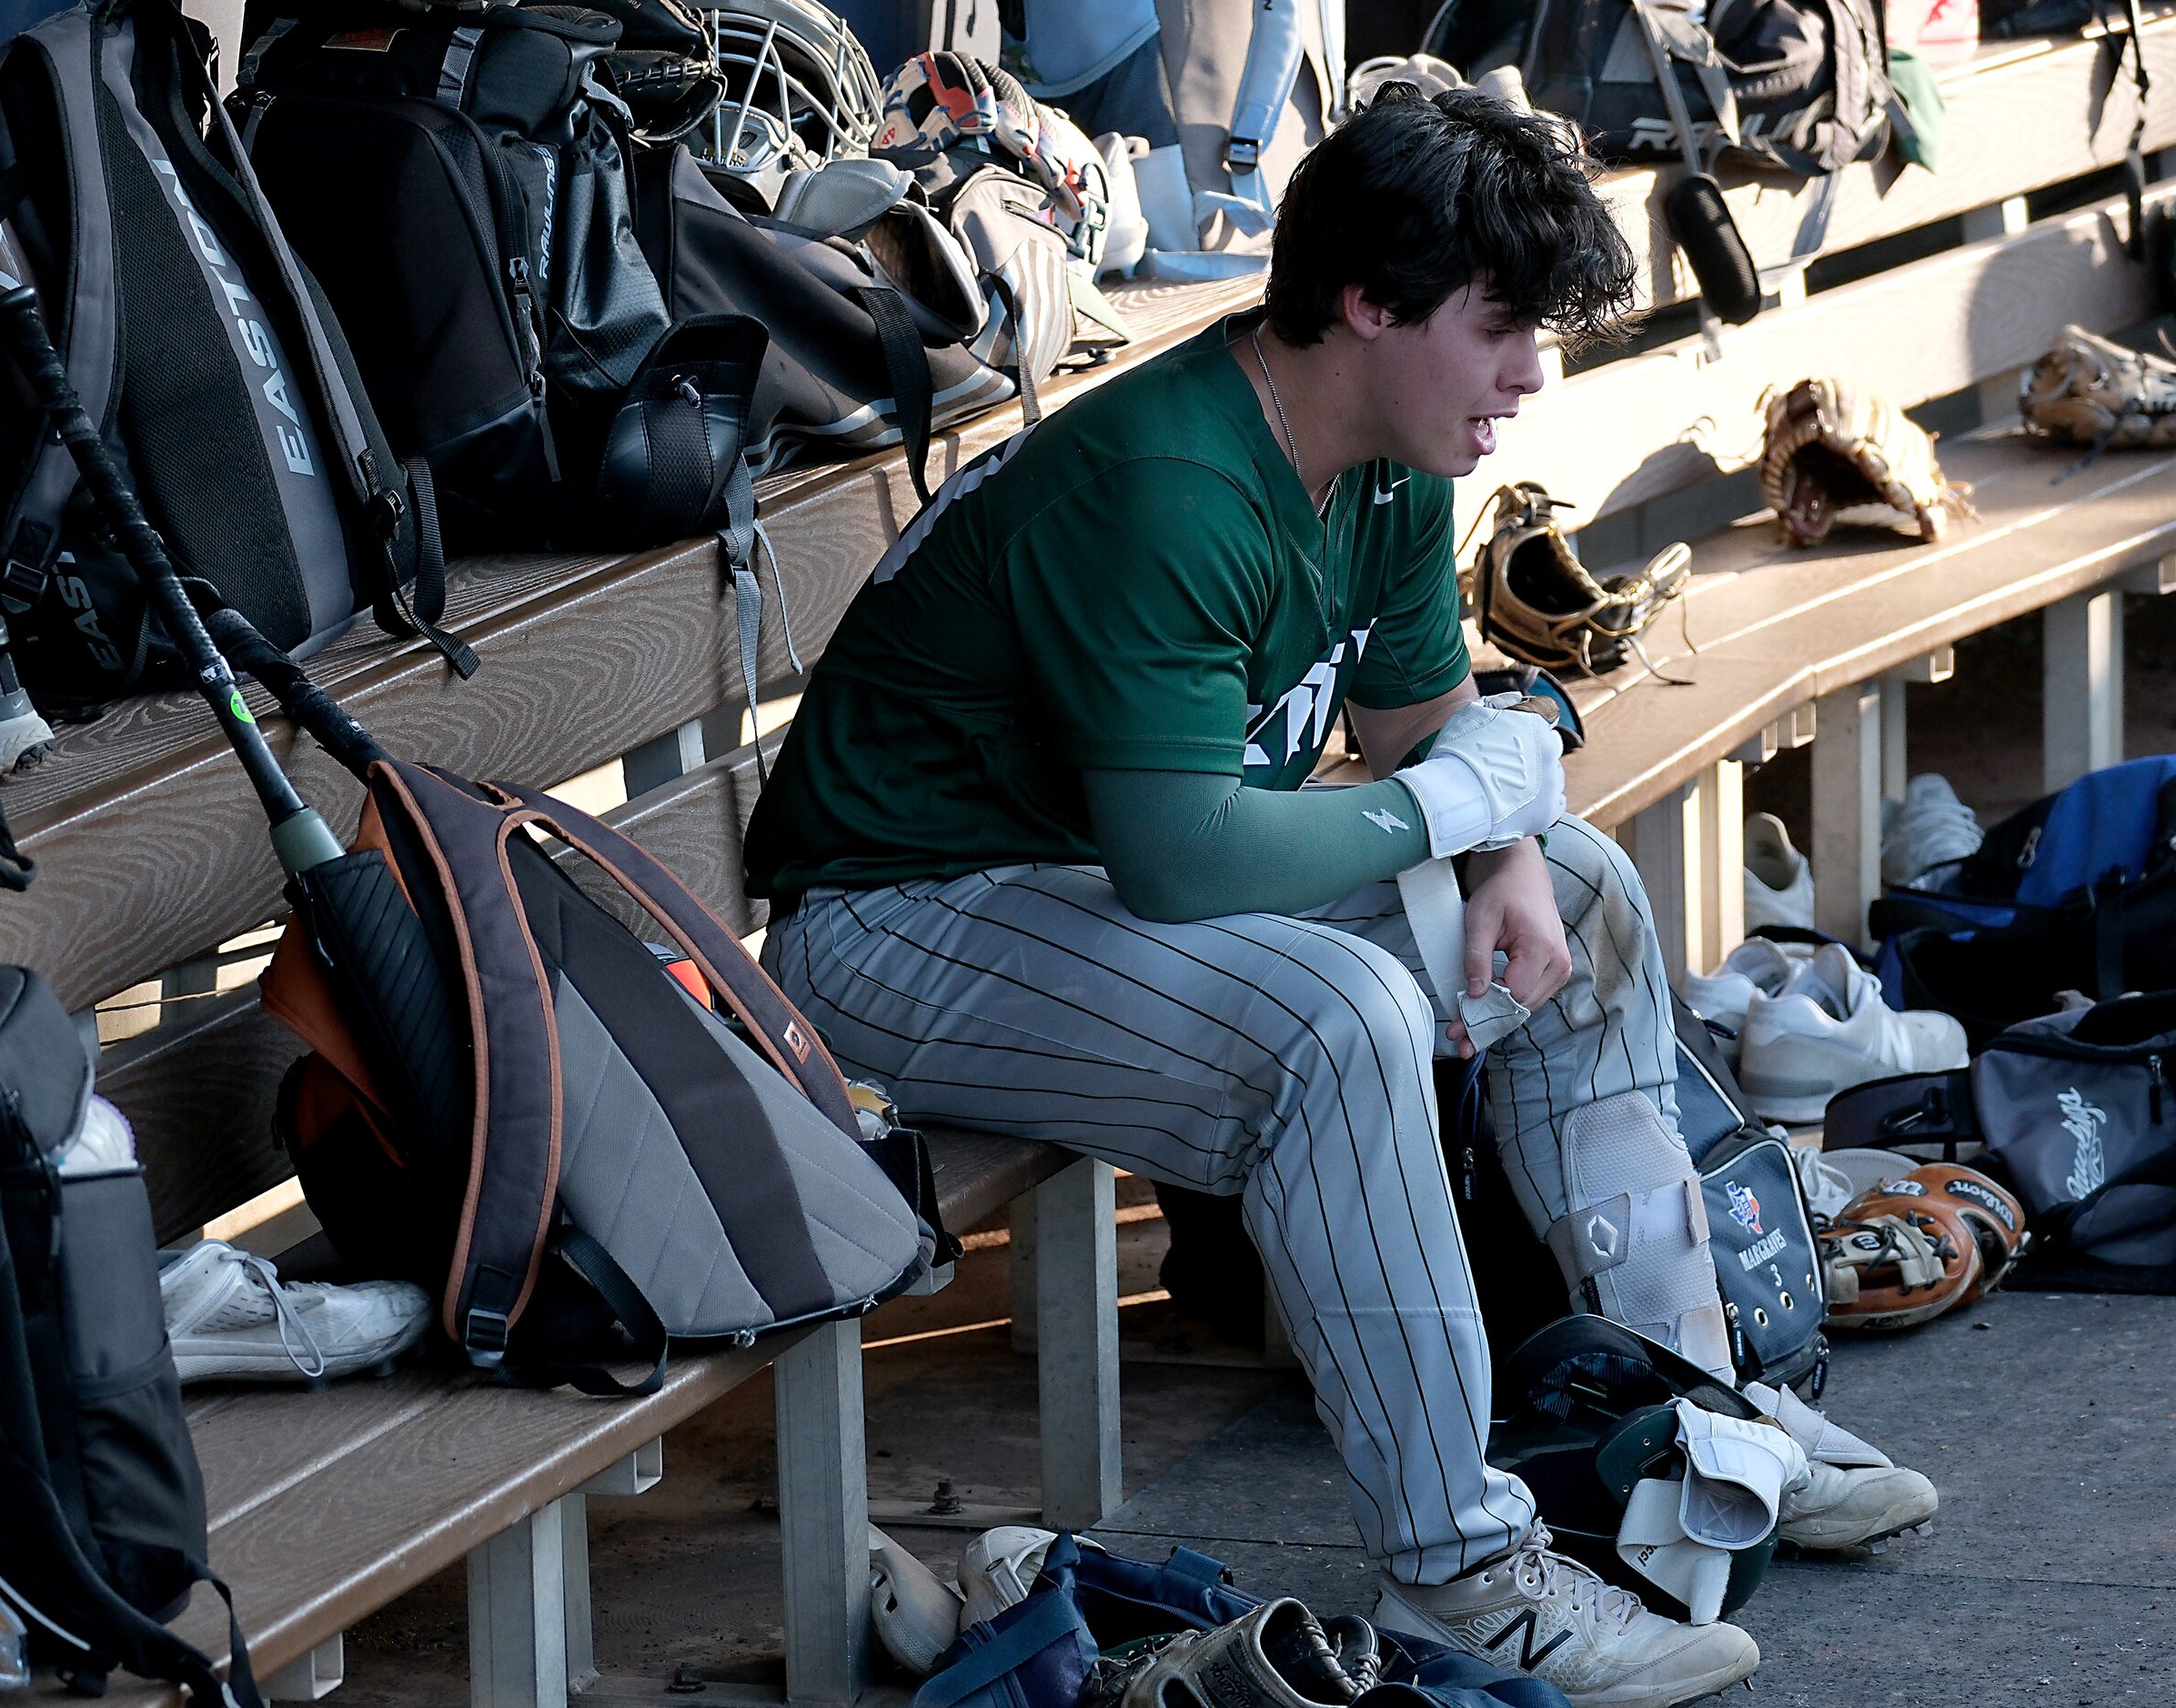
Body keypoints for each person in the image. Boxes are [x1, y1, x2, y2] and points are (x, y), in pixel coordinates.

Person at [746, 84, 1934, 1707]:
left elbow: (1429, 736)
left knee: (1576, 891)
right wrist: (1452, 803)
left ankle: (1698, 1411)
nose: (1531, 373)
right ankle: (1461, 1568)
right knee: (1343, 1017)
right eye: (1502, 326)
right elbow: (1186, 859)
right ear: (1367, 302)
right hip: (898, 924)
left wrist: (1505, 838)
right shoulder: (1170, 479)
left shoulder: (1382, 449)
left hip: (1075, 885)